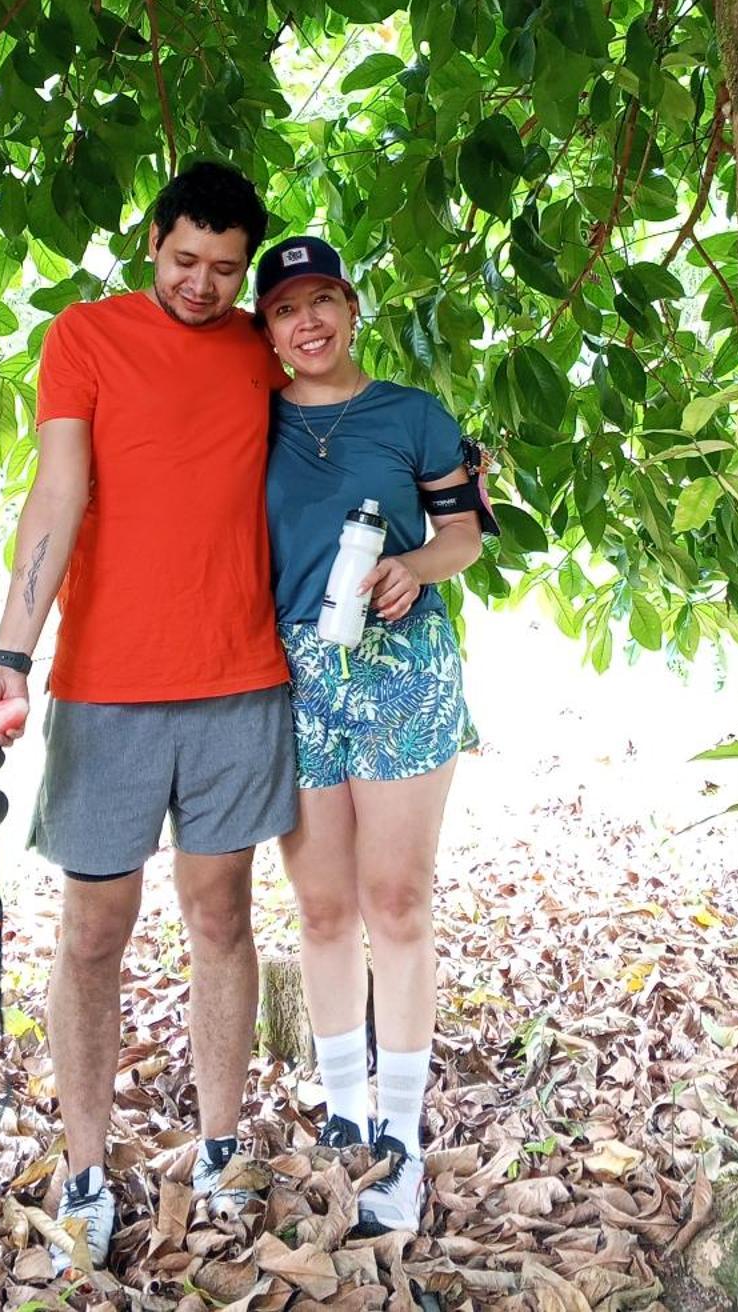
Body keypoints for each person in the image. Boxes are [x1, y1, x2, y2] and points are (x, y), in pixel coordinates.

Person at [0, 162, 296, 1269]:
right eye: (185, 260)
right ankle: (89, 1164)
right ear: (152, 238)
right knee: (93, 933)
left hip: (240, 677)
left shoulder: (259, 345)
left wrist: (455, 478)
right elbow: (56, 492)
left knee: (221, 922)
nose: (202, 284)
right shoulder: (85, 336)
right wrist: (10, 652)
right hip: (104, 685)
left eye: (225, 269)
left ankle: (219, 1149)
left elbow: (343, 418)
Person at [254, 234, 494, 1235]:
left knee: (395, 901)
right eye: (284, 309)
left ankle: (401, 1139)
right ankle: (343, 1113)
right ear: (265, 329)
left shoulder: (413, 413)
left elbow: (467, 532)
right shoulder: (249, 418)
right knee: (320, 910)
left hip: (404, 671)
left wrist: (416, 566)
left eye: (323, 301)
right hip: (295, 673)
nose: (307, 322)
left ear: (352, 307)